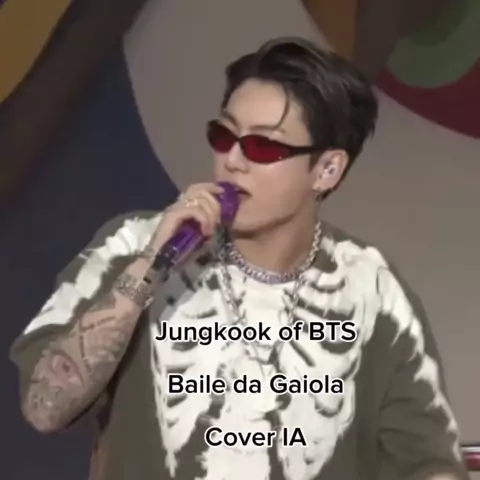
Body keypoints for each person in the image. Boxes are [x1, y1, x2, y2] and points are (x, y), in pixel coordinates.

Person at [10, 37, 469, 480]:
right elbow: (44, 408)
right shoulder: (133, 243)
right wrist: (150, 265)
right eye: (224, 135)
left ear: (327, 170)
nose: (232, 159)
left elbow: (429, 463)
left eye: (262, 146)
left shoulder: (373, 290)